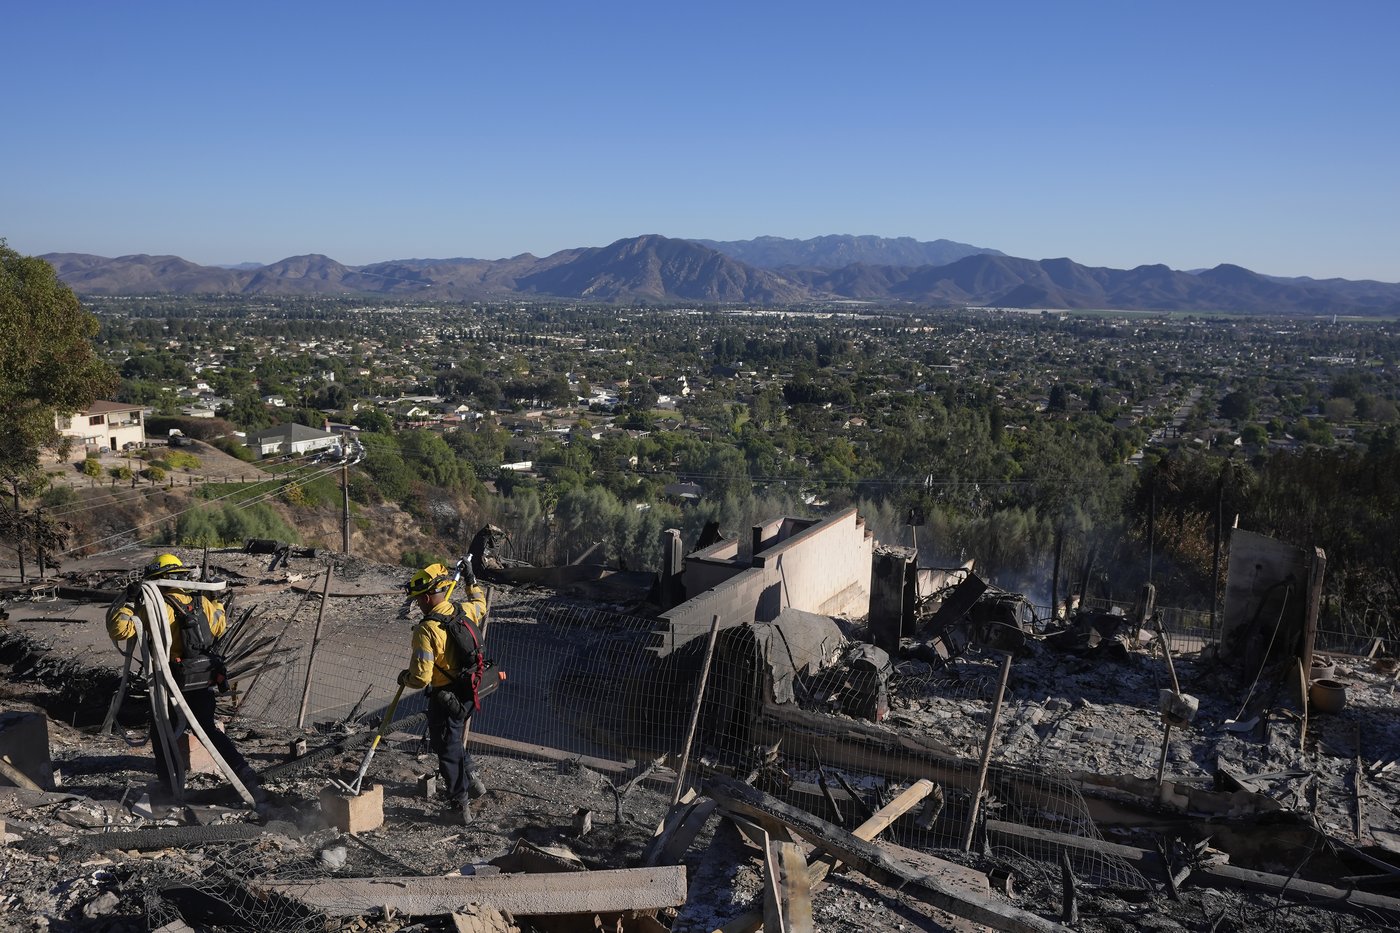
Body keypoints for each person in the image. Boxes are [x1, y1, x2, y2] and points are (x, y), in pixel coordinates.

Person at [107, 553, 263, 803]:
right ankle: (245, 774)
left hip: (168, 682)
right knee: (209, 730)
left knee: (162, 732)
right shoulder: (200, 601)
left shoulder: (153, 605)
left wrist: (128, 600)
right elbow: (219, 627)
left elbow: (119, 629)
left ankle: (171, 788)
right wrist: (216, 600)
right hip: (200, 679)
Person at [399, 560, 489, 824]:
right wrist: (472, 581)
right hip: (469, 691)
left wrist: (403, 677)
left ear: (428, 598)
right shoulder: (463, 611)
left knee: (447, 750)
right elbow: (481, 605)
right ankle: (471, 777)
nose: (418, 605)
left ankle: (459, 807)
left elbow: (420, 678)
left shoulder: (426, 630)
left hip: (444, 697)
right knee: (453, 738)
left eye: (418, 600)